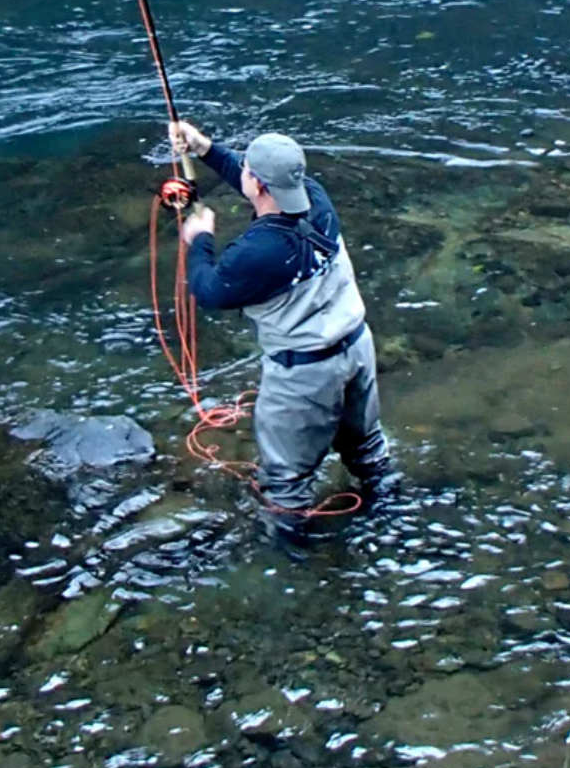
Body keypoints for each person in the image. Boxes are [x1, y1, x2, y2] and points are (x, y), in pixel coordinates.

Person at [168, 120, 399, 545]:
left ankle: (290, 564)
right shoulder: (317, 199)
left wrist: (198, 238)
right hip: (357, 350)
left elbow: (209, 291)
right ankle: (389, 515)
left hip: (304, 376)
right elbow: (254, 178)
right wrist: (205, 149)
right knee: (367, 448)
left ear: (256, 184)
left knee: (285, 485)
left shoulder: (257, 253)